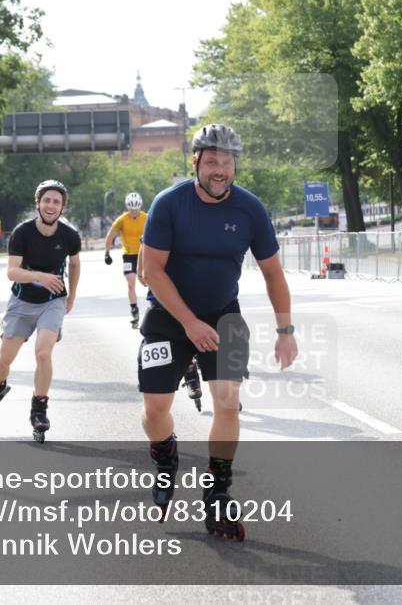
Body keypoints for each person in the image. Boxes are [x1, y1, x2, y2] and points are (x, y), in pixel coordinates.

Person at [138, 123, 298, 540]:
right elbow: (150, 270)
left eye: (227, 162)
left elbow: (273, 273)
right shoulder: (170, 203)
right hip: (170, 316)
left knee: (227, 404)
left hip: (223, 315)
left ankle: (218, 492)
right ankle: (165, 454)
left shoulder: (249, 209)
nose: (220, 169)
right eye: (212, 161)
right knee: (155, 410)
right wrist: (189, 324)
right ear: (195, 162)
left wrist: (286, 329)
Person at [0, 179, 81, 443]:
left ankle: (39, 408)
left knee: (43, 352)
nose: (51, 205)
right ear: (38, 203)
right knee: (3, 361)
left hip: (53, 301)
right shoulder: (22, 233)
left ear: (62, 207)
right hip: (22, 303)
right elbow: (12, 271)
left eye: (56, 201)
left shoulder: (69, 236)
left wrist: (72, 296)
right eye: (46, 200)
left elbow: (75, 264)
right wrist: (40, 277)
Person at [104, 192, 148, 328]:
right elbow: (110, 235)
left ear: (139, 207)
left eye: (136, 209)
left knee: (151, 281)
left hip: (144, 253)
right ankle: (134, 310)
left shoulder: (146, 217)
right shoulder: (122, 220)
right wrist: (107, 253)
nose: (133, 212)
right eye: (131, 209)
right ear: (127, 208)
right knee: (131, 284)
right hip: (129, 255)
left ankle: (156, 307)